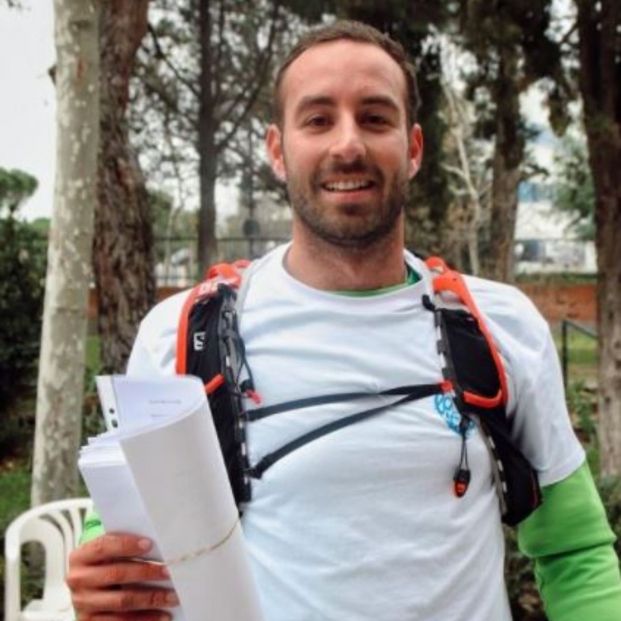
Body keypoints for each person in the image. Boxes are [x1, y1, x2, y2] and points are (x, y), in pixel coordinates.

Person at [67, 20, 621, 621]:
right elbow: (124, 551)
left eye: (375, 118)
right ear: (277, 150)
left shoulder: (499, 325)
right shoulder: (180, 335)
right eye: (318, 119)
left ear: (413, 148)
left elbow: (575, 553)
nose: (348, 144)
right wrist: (102, 582)